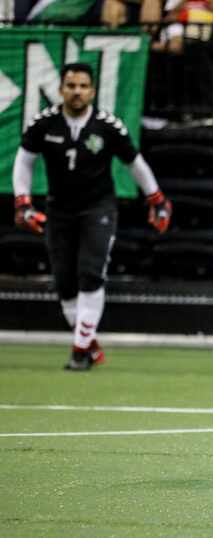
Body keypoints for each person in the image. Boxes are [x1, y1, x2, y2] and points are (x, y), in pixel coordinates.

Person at [12, 62, 172, 371]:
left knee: (90, 272)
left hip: (98, 208)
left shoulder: (107, 126)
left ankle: (79, 350)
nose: (77, 92)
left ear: (93, 91)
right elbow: (24, 161)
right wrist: (23, 202)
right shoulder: (44, 124)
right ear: (60, 90)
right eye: (71, 86)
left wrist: (157, 199)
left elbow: (134, 163)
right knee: (65, 283)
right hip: (59, 209)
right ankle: (89, 343)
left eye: (83, 86)